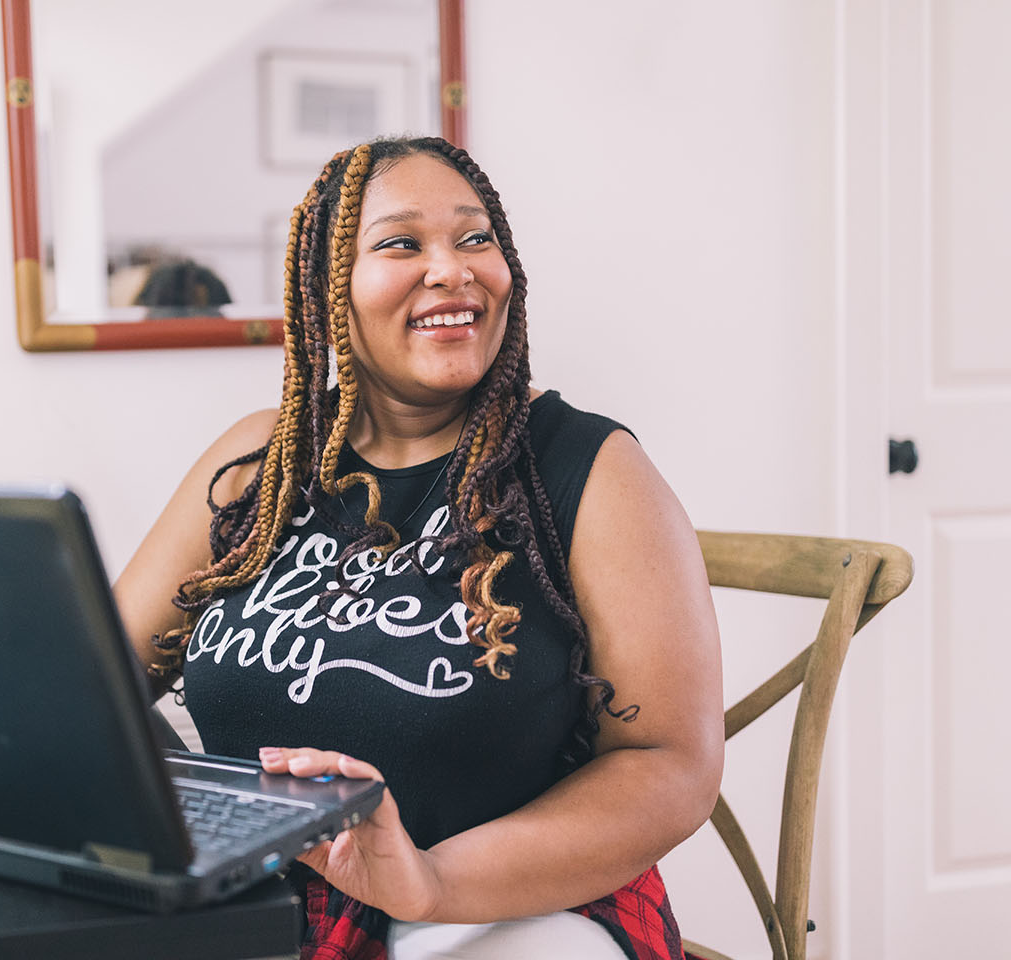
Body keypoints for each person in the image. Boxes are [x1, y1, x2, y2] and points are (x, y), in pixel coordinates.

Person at [113, 136, 723, 960]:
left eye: (476, 239)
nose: (454, 270)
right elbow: (93, 690)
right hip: (257, 908)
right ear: (331, 292)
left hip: (502, 911)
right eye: (402, 243)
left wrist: (432, 882)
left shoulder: (589, 472)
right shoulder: (263, 463)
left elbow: (670, 764)